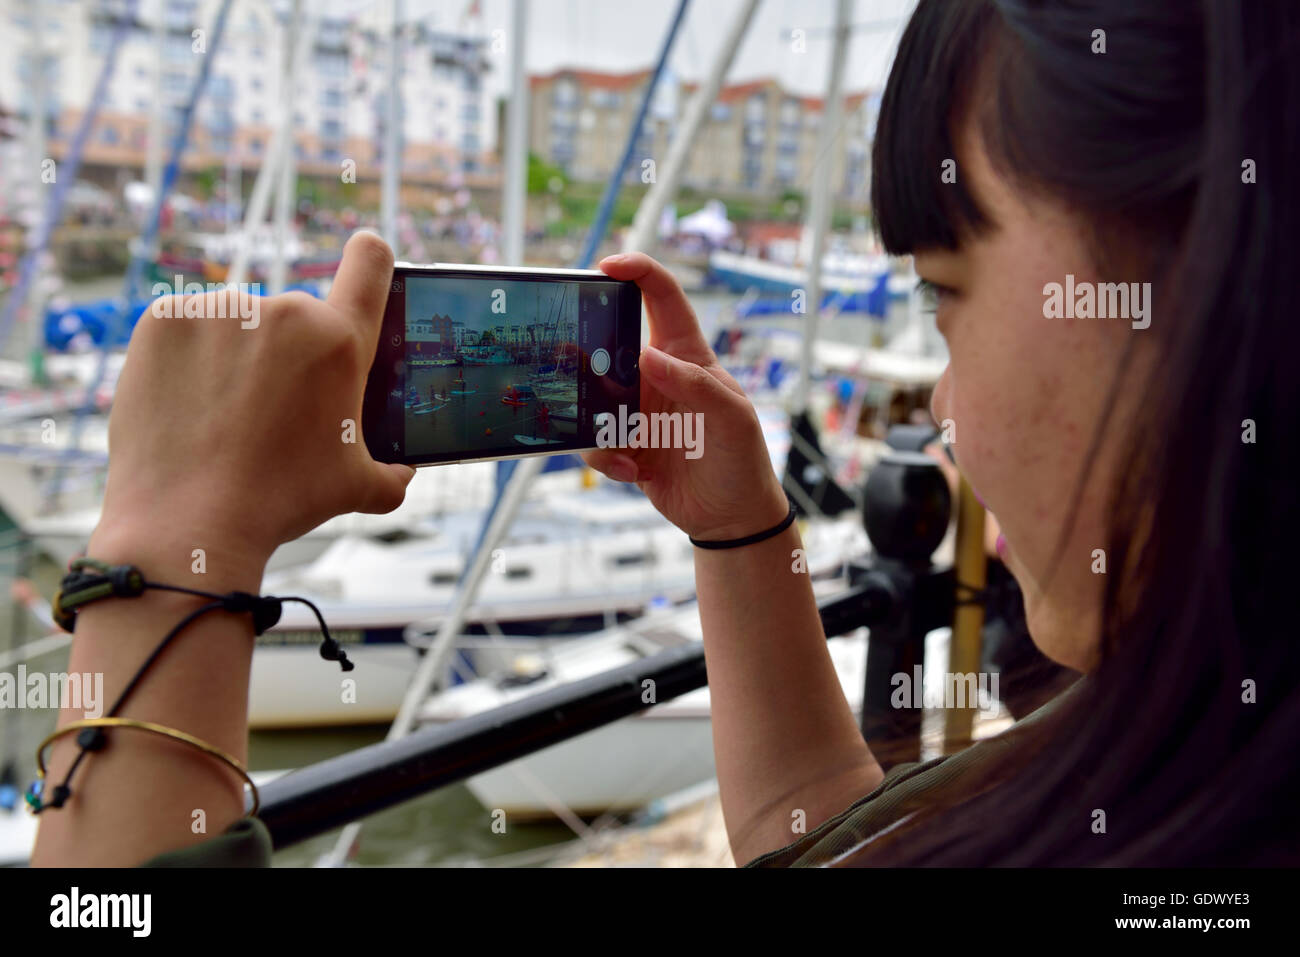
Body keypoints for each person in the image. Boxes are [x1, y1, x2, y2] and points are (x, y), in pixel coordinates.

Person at [32, 0, 1299, 866]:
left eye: (942, 292)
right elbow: (830, 840)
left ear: (1213, 284)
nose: (946, 411)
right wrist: (742, 524)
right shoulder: (1192, 774)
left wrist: (160, 554)